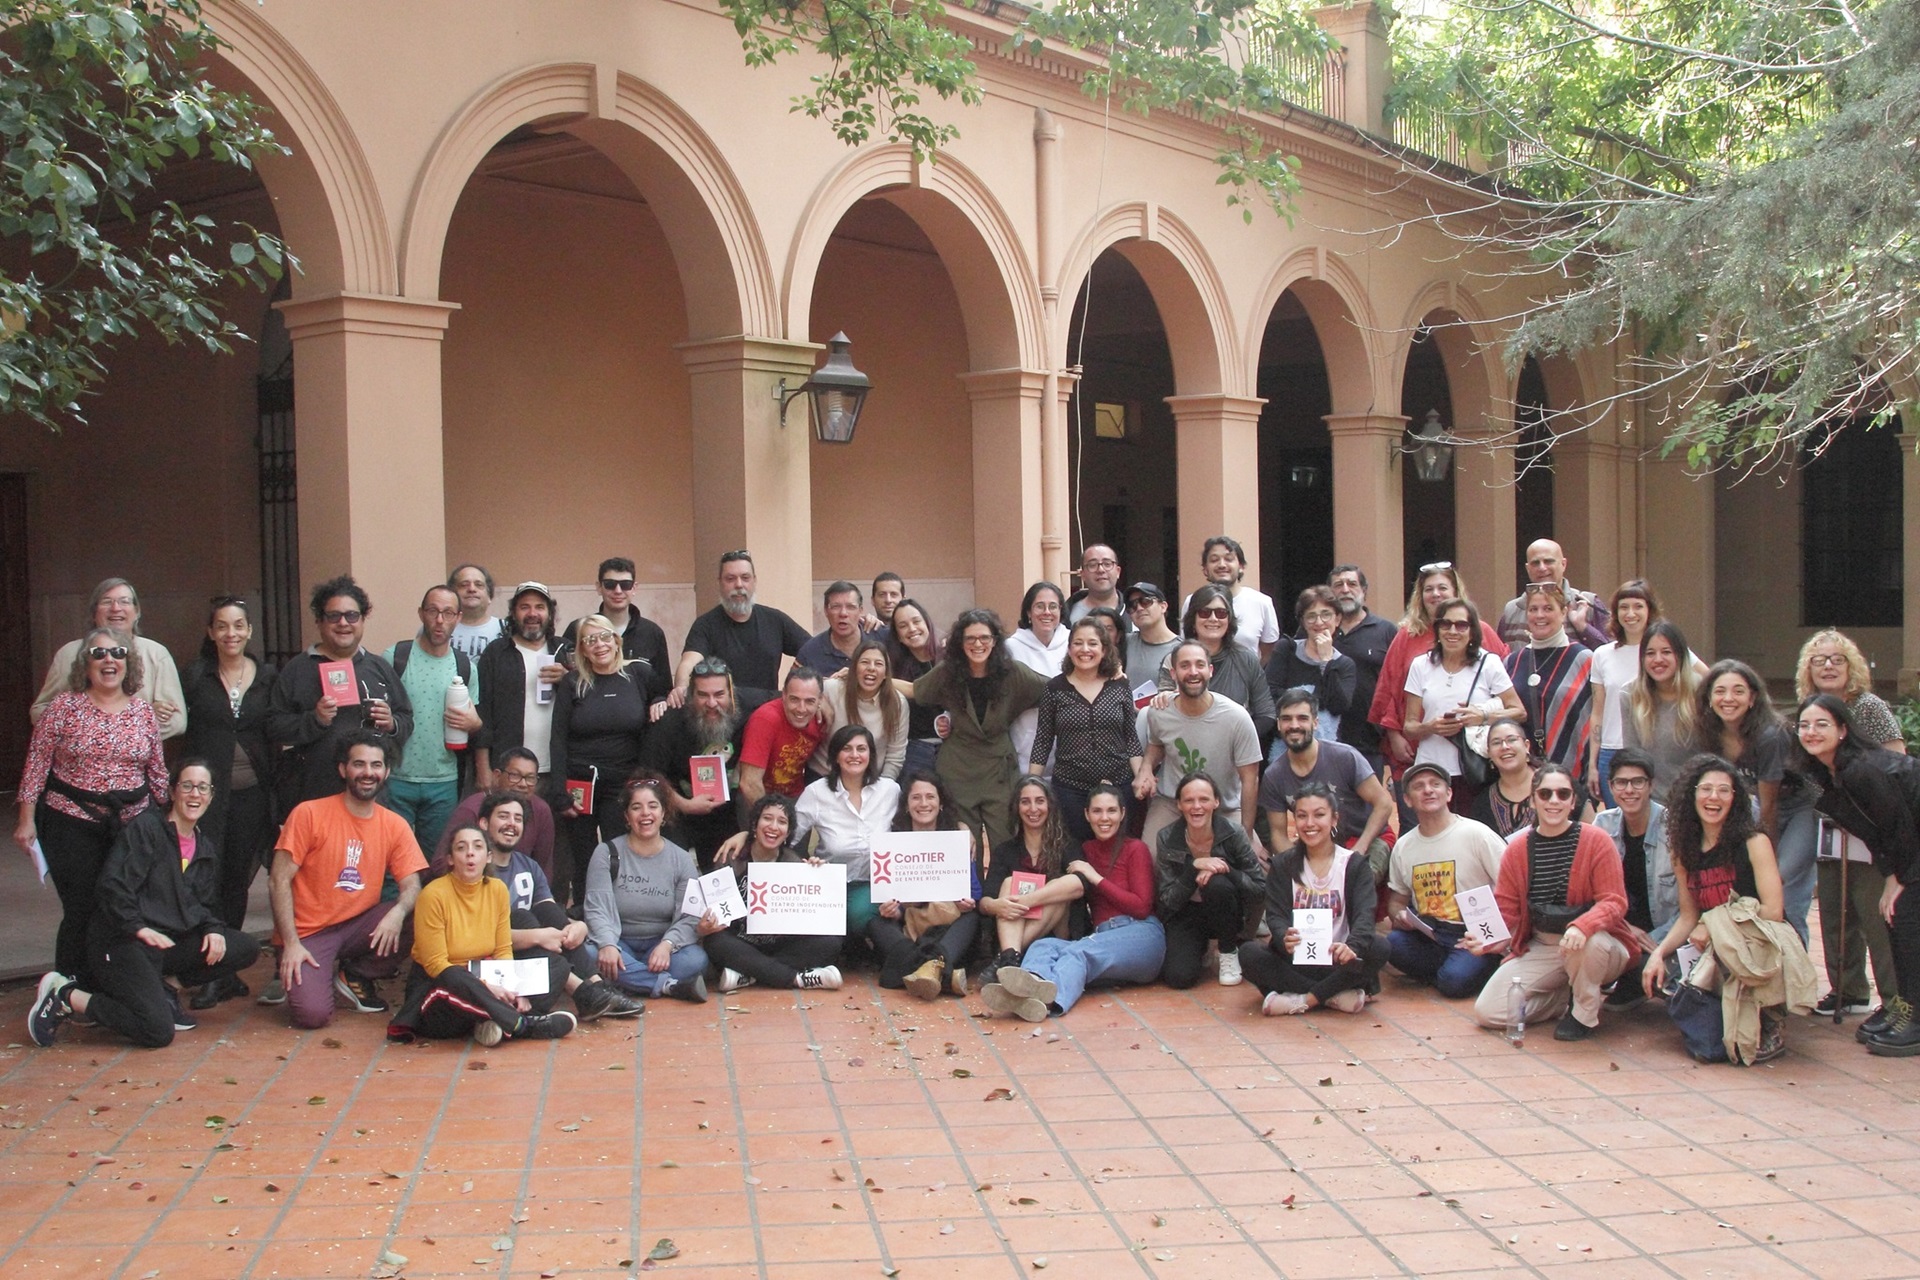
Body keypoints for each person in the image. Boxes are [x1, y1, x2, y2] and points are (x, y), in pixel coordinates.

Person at [28, 760, 261, 1048]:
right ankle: (67, 997)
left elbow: (204, 903)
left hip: (162, 945)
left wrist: (213, 928)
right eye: (187, 786)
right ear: (173, 791)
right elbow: (113, 886)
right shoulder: (148, 828)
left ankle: (165, 989)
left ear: (211, 796)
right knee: (157, 1031)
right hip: (121, 941)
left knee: (243, 947)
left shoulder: (204, 848)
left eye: (203, 788)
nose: (195, 794)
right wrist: (137, 927)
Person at [15, 627, 168, 984]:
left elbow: (157, 771)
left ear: (128, 663)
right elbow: (36, 763)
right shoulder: (63, 707)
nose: (109, 660)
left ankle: (117, 984)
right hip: (71, 821)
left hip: (131, 825)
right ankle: (67, 987)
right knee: (82, 907)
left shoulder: (144, 713)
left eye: (117, 653)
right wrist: (26, 819)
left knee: (124, 906)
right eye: (99, 654)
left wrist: (170, 822)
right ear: (85, 664)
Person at [1637, 754, 1808, 1063]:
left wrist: (1716, 927)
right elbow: (1689, 916)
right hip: (1710, 943)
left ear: (1735, 798)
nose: (1713, 797)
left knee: (1731, 956)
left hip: (1755, 939)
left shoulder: (1754, 841)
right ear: (1692, 795)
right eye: (1706, 789)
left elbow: (1773, 910)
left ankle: (1769, 1017)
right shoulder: (1684, 849)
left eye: (1724, 790)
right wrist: (1658, 954)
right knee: (1650, 963)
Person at [267, 732, 427, 1029]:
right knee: (312, 1016)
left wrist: (397, 912)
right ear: (343, 769)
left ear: (387, 771)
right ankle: (313, 971)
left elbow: (412, 885)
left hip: (359, 926)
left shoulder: (394, 824)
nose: (368, 773)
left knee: (423, 909)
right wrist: (290, 943)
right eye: (359, 764)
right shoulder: (309, 814)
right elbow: (278, 880)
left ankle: (355, 975)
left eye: (376, 765)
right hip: (308, 933)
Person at [1469, 763, 1638, 1041]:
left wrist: (1583, 926)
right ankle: (1564, 999)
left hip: (1598, 943)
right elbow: (1506, 910)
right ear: (1533, 801)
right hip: (1544, 945)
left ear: (1573, 801)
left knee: (1589, 943)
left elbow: (1614, 902)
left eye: (1563, 794)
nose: (1554, 801)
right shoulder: (1517, 848)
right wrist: (1485, 940)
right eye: (1545, 794)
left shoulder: (1597, 840)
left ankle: (1583, 1014)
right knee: (1489, 1012)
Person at [454, 790, 644, 1021]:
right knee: (522, 917)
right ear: (484, 823)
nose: (511, 824)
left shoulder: (529, 866)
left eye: (517, 819)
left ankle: (597, 988)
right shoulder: (473, 869)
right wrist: (536, 937)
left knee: (545, 911)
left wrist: (577, 927)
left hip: (531, 959)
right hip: (489, 964)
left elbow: (550, 914)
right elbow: (476, 936)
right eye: (503, 816)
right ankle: (584, 993)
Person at [980, 783, 1164, 1020]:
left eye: (1111, 811)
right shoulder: (1085, 849)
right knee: (1043, 947)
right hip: (1101, 938)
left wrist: (1094, 877)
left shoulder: (1135, 848)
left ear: (1123, 814)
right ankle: (1026, 989)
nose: (1104, 818)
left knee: (1078, 953)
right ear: (1086, 814)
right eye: (1097, 811)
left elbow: (1141, 907)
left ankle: (1051, 1003)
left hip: (1141, 934)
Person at [384, 823, 578, 1045]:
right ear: (450, 858)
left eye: (477, 847)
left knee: (557, 966)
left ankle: (493, 1022)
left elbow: (503, 948)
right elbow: (435, 964)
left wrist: (513, 989)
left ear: (488, 857)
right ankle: (521, 1025)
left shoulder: (496, 890)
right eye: (461, 847)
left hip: (489, 975)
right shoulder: (433, 895)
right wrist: (486, 988)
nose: (469, 853)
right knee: (454, 975)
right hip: (440, 990)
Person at [1790, 628, 1908, 987]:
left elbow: (1895, 764)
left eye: (1837, 659)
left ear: (1851, 665)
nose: (1828, 666)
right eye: (1819, 660)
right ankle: (1848, 989)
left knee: (1873, 912)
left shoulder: (1868, 707)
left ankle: (1893, 997)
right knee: (1834, 911)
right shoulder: (1808, 708)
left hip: (1870, 825)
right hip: (1828, 824)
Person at [178, 596, 277, 1008]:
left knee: (237, 878)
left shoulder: (269, 676)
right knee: (205, 878)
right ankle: (208, 966)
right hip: (205, 798)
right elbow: (176, 726)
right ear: (211, 632)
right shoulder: (195, 676)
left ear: (249, 631)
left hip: (254, 794)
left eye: (238, 626)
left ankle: (225, 971)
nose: (230, 634)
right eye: (222, 626)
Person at [1793, 694, 1909, 1046]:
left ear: (1843, 730)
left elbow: (1899, 826)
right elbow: (1876, 829)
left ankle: (1907, 1013)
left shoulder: (1861, 768)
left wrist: (1895, 877)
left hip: (1910, 844)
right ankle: (1895, 1008)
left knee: (1901, 927)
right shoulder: (1828, 770)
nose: (1811, 732)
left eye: (1822, 724)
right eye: (1805, 725)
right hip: (1896, 847)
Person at [265, 575, 413, 806]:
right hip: (313, 795)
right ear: (319, 621)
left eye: (352, 615)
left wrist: (392, 723)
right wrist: (314, 720)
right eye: (334, 616)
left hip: (371, 798)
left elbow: (407, 718)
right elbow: (274, 726)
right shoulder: (296, 669)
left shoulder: (379, 668)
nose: (343, 623)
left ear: (363, 619)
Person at [1238, 782, 1384, 1014]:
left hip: (1338, 961)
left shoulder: (1353, 865)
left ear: (1334, 819)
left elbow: (1365, 916)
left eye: (1319, 815)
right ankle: (1332, 996)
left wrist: (1351, 947)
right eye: (1302, 816)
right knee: (1248, 954)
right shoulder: (1282, 864)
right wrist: (1283, 935)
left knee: (1379, 946)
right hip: (1295, 961)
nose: (1310, 824)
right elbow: (1275, 915)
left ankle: (1302, 999)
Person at [912, 609, 1049, 846]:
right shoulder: (948, 673)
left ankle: (1003, 885)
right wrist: (864, 678)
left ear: (994, 641)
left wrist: (1102, 675)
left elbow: (1053, 689)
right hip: (957, 769)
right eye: (970, 638)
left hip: (999, 770)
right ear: (960, 643)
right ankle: (971, 886)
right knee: (963, 845)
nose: (978, 644)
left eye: (984, 637)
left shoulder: (1013, 673)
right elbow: (916, 691)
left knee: (1007, 839)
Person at [1367, 562, 1509, 783]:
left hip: (1474, 751)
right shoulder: (1407, 635)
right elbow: (1389, 688)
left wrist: (1483, 715)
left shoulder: (1480, 631)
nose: (1436, 594)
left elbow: (1504, 686)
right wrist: (1394, 735)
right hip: (1418, 748)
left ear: (1455, 591)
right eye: (1428, 589)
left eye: (1442, 588)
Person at [548, 613, 652, 911]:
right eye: (590, 640)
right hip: (580, 785)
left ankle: (622, 918)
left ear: (616, 641)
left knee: (619, 855)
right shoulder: (572, 684)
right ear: (581, 649)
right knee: (585, 860)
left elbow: (652, 723)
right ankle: (583, 920)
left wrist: (644, 782)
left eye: (605, 636)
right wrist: (558, 790)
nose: (599, 644)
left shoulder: (638, 676)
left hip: (622, 785)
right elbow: (558, 739)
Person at [1383, 762, 1508, 999]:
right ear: (1407, 800)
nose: (1428, 790)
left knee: (1453, 983)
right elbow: (1397, 901)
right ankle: (1450, 971)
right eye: (1419, 787)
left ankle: (1467, 970)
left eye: (1435, 784)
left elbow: (1511, 885)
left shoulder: (1476, 833)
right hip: (1430, 934)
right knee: (1391, 944)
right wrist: (1400, 916)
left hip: (1474, 932)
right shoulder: (1404, 846)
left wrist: (1495, 934)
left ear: (1448, 793)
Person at [700, 794, 845, 993]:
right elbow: (715, 908)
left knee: (831, 942)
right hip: (741, 942)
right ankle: (798, 979)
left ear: (788, 833)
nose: (774, 827)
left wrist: (818, 875)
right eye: (767, 818)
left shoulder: (794, 863)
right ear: (754, 825)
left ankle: (748, 975)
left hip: (779, 944)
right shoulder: (732, 858)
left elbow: (813, 917)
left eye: (782, 822)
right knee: (716, 942)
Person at [582, 777, 709, 1001]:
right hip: (619, 941)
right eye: (636, 807)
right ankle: (668, 985)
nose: (645, 814)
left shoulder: (680, 859)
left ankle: (628, 981)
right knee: (590, 953)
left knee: (695, 959)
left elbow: (690, 916)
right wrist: (608, 944)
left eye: (653, 806)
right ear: (626, 817)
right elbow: (596, 908)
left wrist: (667, 945)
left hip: (661, 945)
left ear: (664, 815)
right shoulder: (606, 853)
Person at [383, 585, 484, 853]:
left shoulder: (465, 667)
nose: (440, 620)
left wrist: (474, 725)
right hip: (396, 777)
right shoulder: (395, 657)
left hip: (443, 780)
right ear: (421, 614)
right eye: (433, 611)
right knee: (393, 860)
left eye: (448, 613)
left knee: (436, 860)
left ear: (458, 617)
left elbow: (475, 721)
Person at [1402, 597, 1524, 812]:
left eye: (1461, 625)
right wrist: (1430, 727)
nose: (1452, 631)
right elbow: (1409, 727)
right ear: (1437, 629)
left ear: (1472, 631)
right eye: (1445, 624)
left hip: (1475, 770)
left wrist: (1481, 717)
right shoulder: (1420, 665)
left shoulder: (1488, 663)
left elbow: (1518, 712)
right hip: (1432, 770)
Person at [1029, 617, 1143, 844]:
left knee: (1119, 852)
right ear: (1069, 649)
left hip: (1117, 786)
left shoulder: (1119, 686)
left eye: (1092, 643)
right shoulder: (1055, 688)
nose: (1085, 649)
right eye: (1078, 643)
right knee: (1075, 854)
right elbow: (1043, 740)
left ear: (1104, 649)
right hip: (1071, 790)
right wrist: (1033, 783)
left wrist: (1141, 779)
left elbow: (1131, 738)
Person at [868, 772, 982, 1000]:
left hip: (947, 927)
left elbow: (975, 893)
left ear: (941, 803)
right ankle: (939, 970)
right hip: (911, 926)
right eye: (916, 798)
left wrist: (967, 902)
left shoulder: (957, 837)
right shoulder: (892, 843)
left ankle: (912, 968)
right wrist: (892, 909)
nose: (923, 803)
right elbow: (889, 897)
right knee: (876, 923)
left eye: (930, 797)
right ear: (906, 805)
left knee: (972, 919)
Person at [1139, 641, 1263, 846]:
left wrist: (1247, 834)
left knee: (1254, 865)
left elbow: (1250, 780)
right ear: (1173, 673)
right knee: (1150, 856)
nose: (1193, 672)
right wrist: (1146, 768)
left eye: (1200, 665)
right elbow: (1157, 745)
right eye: (1185, 665)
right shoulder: (1159, 712)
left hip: (1224, 805)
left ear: (1210, 670)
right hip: (1172, 803)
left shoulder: (1236, 717)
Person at [30, 577, 186, 740]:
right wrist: (85, 729)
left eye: (124, 601)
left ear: (137, 612)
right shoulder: (69, 654)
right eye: (106, 602)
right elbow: (40, 711)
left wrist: (131, 730)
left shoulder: (156, 653)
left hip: (135, 760)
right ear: (94, 612)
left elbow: (177, 721)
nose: (115, 608)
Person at [1256, 687, 1394, 869]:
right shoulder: (1274, 775)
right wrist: (1300, 867)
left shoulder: (1345, 757)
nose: (1294, 725)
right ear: (1279, 724)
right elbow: (1278, 835)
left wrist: (1360, 848)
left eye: (1302, 718)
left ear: (1315, 723)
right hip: (1315, 844)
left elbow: (1384, 803)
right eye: (1287, 719)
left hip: (1367, 837)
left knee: (1355, 877)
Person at [646, 658, 765, 866]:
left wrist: (821, 704)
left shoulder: (749, 703)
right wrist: (686, 805)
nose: (711, 703)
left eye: (719, 694)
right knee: (674, 868)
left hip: (724, 812)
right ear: (691, 695)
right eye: (703, 695)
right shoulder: (669, 720)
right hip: (676, 810)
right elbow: (649, 777)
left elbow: (792, 700)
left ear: (732, 693)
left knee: (725, 873)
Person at [1155, 772, 1264, 988]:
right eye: (1189, 800)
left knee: (1216, 884)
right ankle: (1201, 947)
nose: (1197, 806)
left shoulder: (1234, 833)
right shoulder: (1167, 837)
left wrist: (1224, 869)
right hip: (1187, 913)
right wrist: (1193, 868)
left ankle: (1228, 952)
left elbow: (1259, 889)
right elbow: (1167, 900)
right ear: (1179, 805)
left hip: (1228, 911)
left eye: (1204, 799)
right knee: (1179, 978)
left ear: (1216, 802)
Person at [789, 724, 902, 933]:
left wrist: (959, 826)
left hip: (875, 884)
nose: (854, 755)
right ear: (835, 756)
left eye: (861, 749)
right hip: (829, 884)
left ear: (871, 755)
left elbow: (917, 825)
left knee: (861, 911)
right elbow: (788, 837)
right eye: (847, 749)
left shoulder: (890, 791)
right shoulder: (816, 793)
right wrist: (803, 865)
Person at [1590, 749, 1678, 1004]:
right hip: (1622, 929)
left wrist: (1656, 942)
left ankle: (1637, 978)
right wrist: (1627, 930)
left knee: (1653, 972)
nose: (1629, 790)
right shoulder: (1602, 826)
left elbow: (1689, 908)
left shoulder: (1674, 828)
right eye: (1621, 782)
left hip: (1664, 933)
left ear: (1650, 785)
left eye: (1638, 782)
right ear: (1611, 786)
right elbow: (1591, 894)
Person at [670, 550, 809, 704]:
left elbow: (814, 651)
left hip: (767, 711)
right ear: (720, 583)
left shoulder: (775, 620)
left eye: (745, 578)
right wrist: (681, 687)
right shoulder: (705, 625)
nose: (739, 585)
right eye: (730, 579)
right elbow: (689, 662)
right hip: (724, 716)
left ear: (754, 581)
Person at [979, 777, 1085, 972]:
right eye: (1025, 802)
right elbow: (985, 900)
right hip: (1010, 933)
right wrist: (996, 906)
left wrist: (1027, 901)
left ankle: (1007, 959)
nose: (1033, 808)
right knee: (1010, 882)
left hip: (1057, 934)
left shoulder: (1067, 845)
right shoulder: (1005, 850)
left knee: (1060, 887)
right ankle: (1011, 957)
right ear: (1017, 808)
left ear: (1050, 806)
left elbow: (1079, 885)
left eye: (1040, 801)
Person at [472, 582, 565, 792]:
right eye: (525, 607)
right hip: (507, 772)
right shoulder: (495, 653)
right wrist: (483, 768)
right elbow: (482, 714)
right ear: (513, 613)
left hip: (555, 771)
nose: (532, 613)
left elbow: (586, 702)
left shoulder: (564, 650)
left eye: (540, 607)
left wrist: (568, 680)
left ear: (550, 614)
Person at [1155, 584, 1275, 742]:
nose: (1213, 619)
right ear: (1193, 619)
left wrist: (1236, 740)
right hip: (1185, 749)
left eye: (1221, 613)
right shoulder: (1174, 659)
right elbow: (1164, 713)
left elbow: (1267, 714)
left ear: (1229, 619)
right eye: (1205, 612)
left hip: (1236, 750)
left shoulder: (1245, 658)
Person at [1584, 579, 1663, 806]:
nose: (1631, 613)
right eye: (1624, 607)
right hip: (1612, 750)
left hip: (1651, 748)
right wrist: (1593, 764)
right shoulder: (1602, 654)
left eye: (1638, 606)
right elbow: (1598, 712)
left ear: (1650, 610)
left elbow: (1703, 677)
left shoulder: (1663, 651)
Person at [1504, 583, 1592, 785]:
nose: (1540, 615)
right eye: (1533, 609)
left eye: (1548, 608)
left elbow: (1595, 720)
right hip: (1522, 777)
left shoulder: (1584, 660)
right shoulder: (1512, 662)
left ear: (1563, 612)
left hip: (1574, 776)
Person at [557, 557, 672, 709]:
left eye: (625, 585)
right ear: (599, 587)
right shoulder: (577, 629)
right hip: (590, 724)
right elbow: (566, 683)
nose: (618, 591)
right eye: (610, 584)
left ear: (634, 588)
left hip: (641, 727)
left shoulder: (652, 633)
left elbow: (664, 689)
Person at [436, 747, 559, 882]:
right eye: (515, 776)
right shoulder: (471, 809)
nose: (523, 784)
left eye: (530, 778)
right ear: (497, 776)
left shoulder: (541, 810)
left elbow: (544, 868)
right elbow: (441, 863)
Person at [1619, 619, 1703, 795]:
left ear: (1679, 656)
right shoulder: (1629, 695)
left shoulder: (1702, 692)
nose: (1658, 660)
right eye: (1650, 653)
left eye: (1666, 652)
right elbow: (1632, 756)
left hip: (1696, 797)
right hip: (1651, 801)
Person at [1263, 586, 1355, 747]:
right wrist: (1316, 702)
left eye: (1326, 614)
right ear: (1303, 622)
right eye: (1311, 616)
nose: (1319, 622)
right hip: (1283, 743)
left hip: (1327, 746)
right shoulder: (1286, 649)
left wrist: (1326, 661)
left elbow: (1338, 705)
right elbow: (1271, 694)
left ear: (1338, 619)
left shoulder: (1344, 664)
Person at [1326, 564, 1396, 768]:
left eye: (1352, 584)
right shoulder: (1316, 629)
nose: (1345, 590)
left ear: (1364, 590)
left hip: (1371, 741)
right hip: (1326, 739)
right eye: (1338, 585)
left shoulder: (1386, 631)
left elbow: (1398, 684)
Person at [814, 640, 909, 782]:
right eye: (865, 662)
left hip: (869, 781)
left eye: (878, 664)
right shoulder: (831, 689)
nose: (871, 668)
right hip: (823, 775)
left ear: (885, 674)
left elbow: (895, 755)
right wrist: (819, 700)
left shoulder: (897, 703)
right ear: (853, 668)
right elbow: (802, 693)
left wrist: (884, 787)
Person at [738, 667, 830, 804]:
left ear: (820, 700)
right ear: (784, 695)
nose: (801, 709)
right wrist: (771, 817)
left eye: (809, 701)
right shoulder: (766, 719)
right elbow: (749, 784)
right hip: (759, 797)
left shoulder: (822, 719)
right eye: (794, 699)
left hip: (795, 796)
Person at [1496, 539, 1610, 649]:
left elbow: (1611, 656)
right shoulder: (1511, 611)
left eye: (1548, 561)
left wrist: (1583, 628)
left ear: (1563, 564)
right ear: (1528, 568)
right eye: (1535, 563)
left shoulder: (1588, 604)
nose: (1542, 568)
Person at [1182, 536, 1280, 661]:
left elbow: (1268, 651)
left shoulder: (1262, 602)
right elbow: (1186, 642)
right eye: (1214, 560)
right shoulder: (1192, 601)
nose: (1222, 565)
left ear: (1241, 566)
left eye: (1229, 559)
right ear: (1205, 569)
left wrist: (1251, 674)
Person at [1005, 581, 1069, 773]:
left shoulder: (1074, 643)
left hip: (1067, 752)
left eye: (1053, 606)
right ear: (1028, 612)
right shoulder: (1010, 647)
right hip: (1025, 748)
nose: (1046, 612)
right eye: (1039, 606)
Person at [883, 599, 945, 777]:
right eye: (903, 626)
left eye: (916, 621)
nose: (912, 629)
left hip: (952, 748)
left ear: (927, 623)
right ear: (898, 636)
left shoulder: (948, 658)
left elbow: (917, 690)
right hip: (914, 748)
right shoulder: (893, 667)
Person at [1470, 720, 1543, 838]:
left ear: (1526, 746)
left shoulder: (1557, 784)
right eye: (1496, 742)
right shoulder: (1483, 803)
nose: (1504, 747)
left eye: (1512, 740)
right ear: (1489, 754)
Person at [796, 580, 868, 677]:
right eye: (836, 607)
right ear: (826, 611)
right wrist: (828, 685)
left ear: (861, 611)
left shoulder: (882, 638)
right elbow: (792, 689)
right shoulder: (809, 652)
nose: (843, 613)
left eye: (850, 607)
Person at [1122, 582, 1182, 692]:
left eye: (1145, 601)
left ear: (1163, 606)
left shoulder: (1183, 649)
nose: (1139, 608)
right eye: (1132, 605)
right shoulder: (1123, 643)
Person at [446, 563, 507, 661]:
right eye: (464, 585)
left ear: (489, 596)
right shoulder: (437, 627)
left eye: (479, 585)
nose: (471, 589)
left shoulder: (506, 630)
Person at [1066, 544, 1128, 628]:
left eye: (1107, 564)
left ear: (1118, 572)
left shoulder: (1134, 611)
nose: (1101, 570)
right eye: (1092, 565)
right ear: (1082, 574)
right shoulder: (1067, 614)